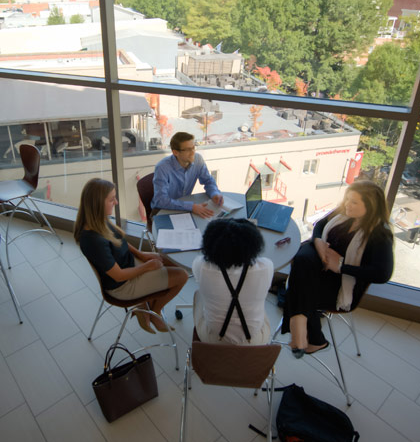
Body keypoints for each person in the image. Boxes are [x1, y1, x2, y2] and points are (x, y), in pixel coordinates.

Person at [281, 180, 394, 358]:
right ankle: (306, 331)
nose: (347, 204)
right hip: (320, 263)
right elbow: (319, 224)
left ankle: (305, 330)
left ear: (371, 207)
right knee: (302, 259)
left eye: (354, 202)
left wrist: (341, 267)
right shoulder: (344, 211)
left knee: (297, 286)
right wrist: (318, 241)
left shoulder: (380, 234)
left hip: (341, 281)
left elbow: (383, 274)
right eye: (347, 199)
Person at [74, 178, 188, 333]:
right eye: (111, 199)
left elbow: (120, 241)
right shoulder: (93, 240)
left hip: (128, 264)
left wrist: (142, 255)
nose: (116, 202)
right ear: (97, 203)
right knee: (182, 276)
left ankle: (146, 307)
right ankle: (155, 312)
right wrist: (148, 266)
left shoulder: (97, 220)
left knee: (173, 262)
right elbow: (119, 276)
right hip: (123, 286)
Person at [192, 218, 274, 345]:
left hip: (213, 340)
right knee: (261, 306)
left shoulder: (200, 266)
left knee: (198, 295)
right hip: (255, 342)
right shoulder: (266, 267)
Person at [152, 131, 223, 219]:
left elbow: (208, 181)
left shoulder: (198, 159)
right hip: (163, 211)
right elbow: (161, 201)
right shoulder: (162, 168)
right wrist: (192, 207)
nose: (193, 152)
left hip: (184, 209)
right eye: (188, 149)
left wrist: (214, 193)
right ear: (175, 152)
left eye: (193, 148)